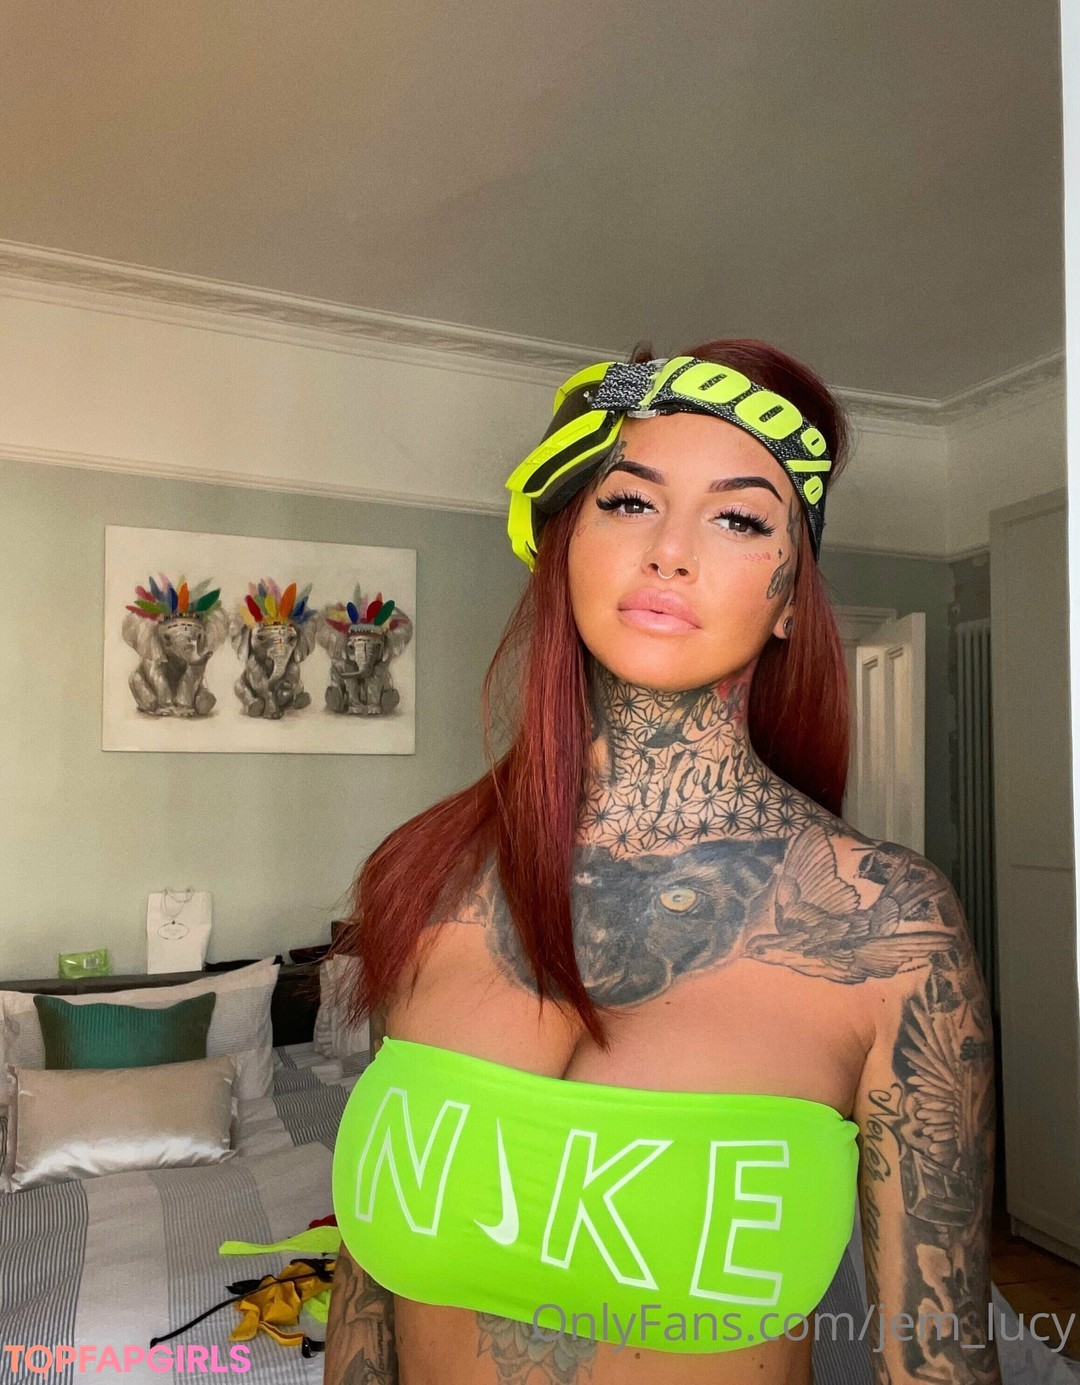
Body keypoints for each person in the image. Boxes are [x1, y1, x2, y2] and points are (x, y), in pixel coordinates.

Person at [324, 340, 1001, 1385]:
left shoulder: (890, 926)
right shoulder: (426, 878)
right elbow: (368, 1289)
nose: (670, 551)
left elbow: (941, 1364)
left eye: (739, 519)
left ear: (790, 596)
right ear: (566, 545)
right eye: (630, 501)